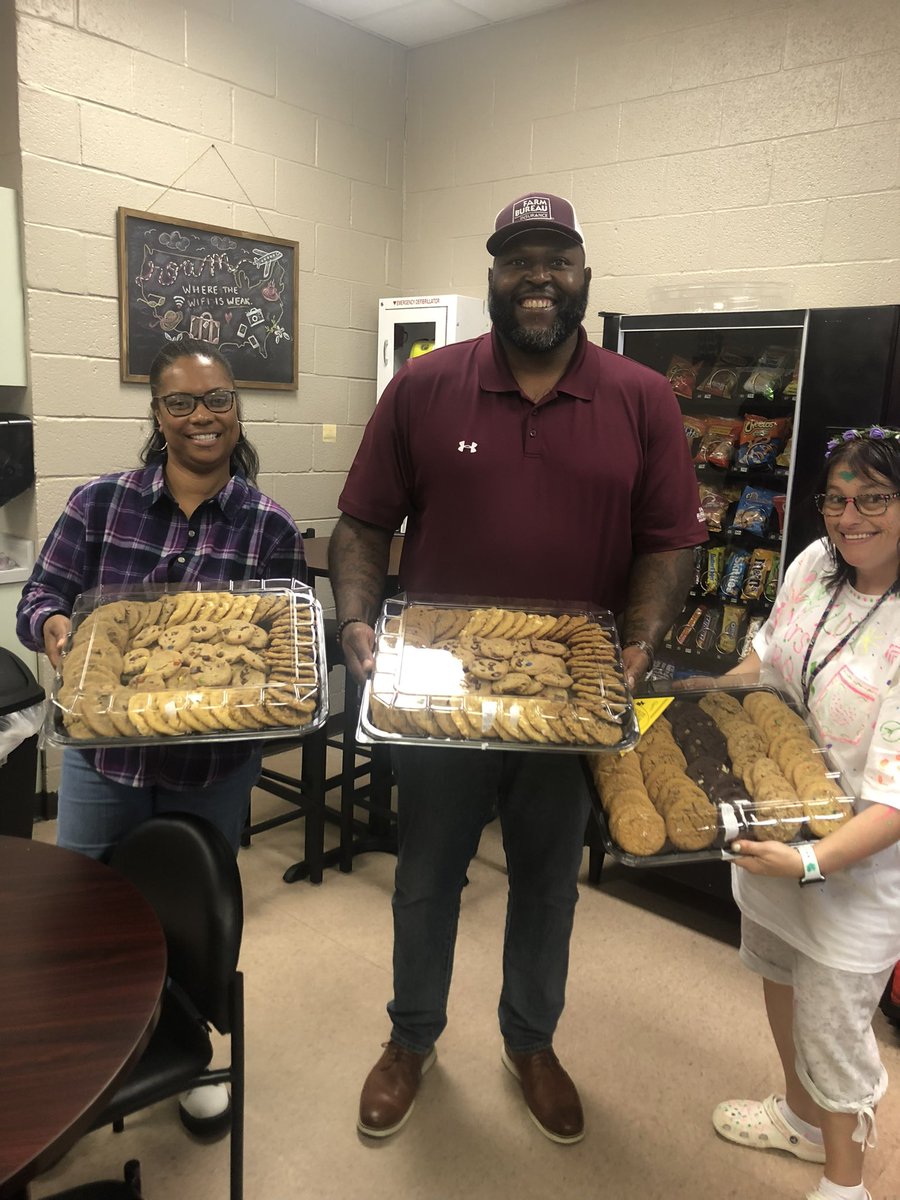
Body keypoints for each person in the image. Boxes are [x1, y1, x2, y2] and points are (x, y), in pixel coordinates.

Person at [329, 192, 706, 1143]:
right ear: (491, 277)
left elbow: (669, 541)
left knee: (546, 882)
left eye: (559, 259)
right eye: (517, 259)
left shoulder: (640, 396)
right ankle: (411, 1038)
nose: (539, 275)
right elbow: (366, 522)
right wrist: (358, 616)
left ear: (584, 274)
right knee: (425, 876)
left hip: (573, 696)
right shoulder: (423, 387)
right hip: (441, 695)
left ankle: (530, 1040)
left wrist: (641, 638)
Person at [17, 336, 305, 1135]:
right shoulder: (98, 504)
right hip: (103, 753)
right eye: (180, 402)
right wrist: (53, 626)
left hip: (211, 763)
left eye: (216, 400)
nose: (201, 417)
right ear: (157, 414)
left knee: (191, 909)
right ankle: (89, 1056)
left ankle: (193, 1055)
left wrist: (273, 690)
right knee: (87, 907)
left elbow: (283, 647)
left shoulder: (267, 526)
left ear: (237, 410)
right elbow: (40, 595)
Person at [713, 425, 900, 1200]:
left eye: (875, 499)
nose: (850, 516)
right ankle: (795, 1119)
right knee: (779, 973)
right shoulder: (813, 565)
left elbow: (896, 799)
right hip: (771, 830)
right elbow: (768, 658)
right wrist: (706, 697)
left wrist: (813, 861)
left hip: (852, 872)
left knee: (834, 1032)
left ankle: (843, 1185)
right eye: (838, 498)